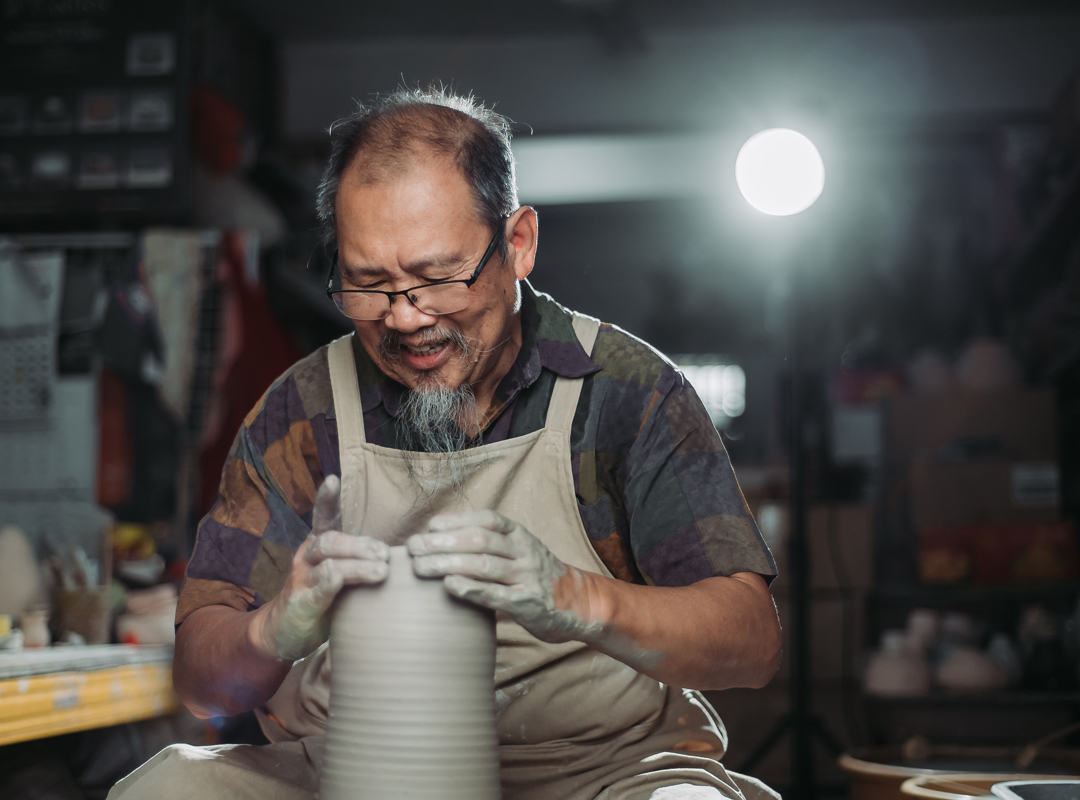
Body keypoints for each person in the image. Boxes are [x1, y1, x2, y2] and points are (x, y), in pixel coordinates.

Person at [109, 87, 782, 800]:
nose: (405, 319)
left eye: (436, 278)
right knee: (167, 789)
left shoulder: (625, 393)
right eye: (369, 284)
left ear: (517, 243)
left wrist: (574, 596)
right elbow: (199, 682)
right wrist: (277, 626)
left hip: (595, 774)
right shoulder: (301, 412)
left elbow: (752, 641)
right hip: (351, 767)